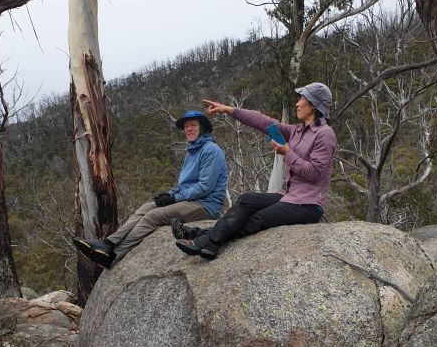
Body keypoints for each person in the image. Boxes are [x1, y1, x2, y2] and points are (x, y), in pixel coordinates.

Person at [174, 82, 337, 260]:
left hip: (308, 205)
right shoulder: (297, 131)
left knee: (257, 217)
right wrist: (229, 109)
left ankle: (205, 240)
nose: (297, 103)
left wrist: (287, 153)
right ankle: (204, 239)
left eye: (302, 99)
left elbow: (314, 173)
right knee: (246, 200)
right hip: (289, 196)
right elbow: (261, 120)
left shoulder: (325, 134)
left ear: (313, 105)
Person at [73, 110, 227, 268]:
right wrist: (169, 194)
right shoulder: (191, 153)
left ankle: (114, 254)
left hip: (205, 205)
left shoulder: (211, 151)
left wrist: (174, 198)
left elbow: (205, 187)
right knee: (146, 207)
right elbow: (184, 185)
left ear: (203, 129)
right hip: (189, 199)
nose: (188, 129)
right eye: (186, 126)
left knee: (153, 216)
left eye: (193, 125)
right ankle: (107, 243)